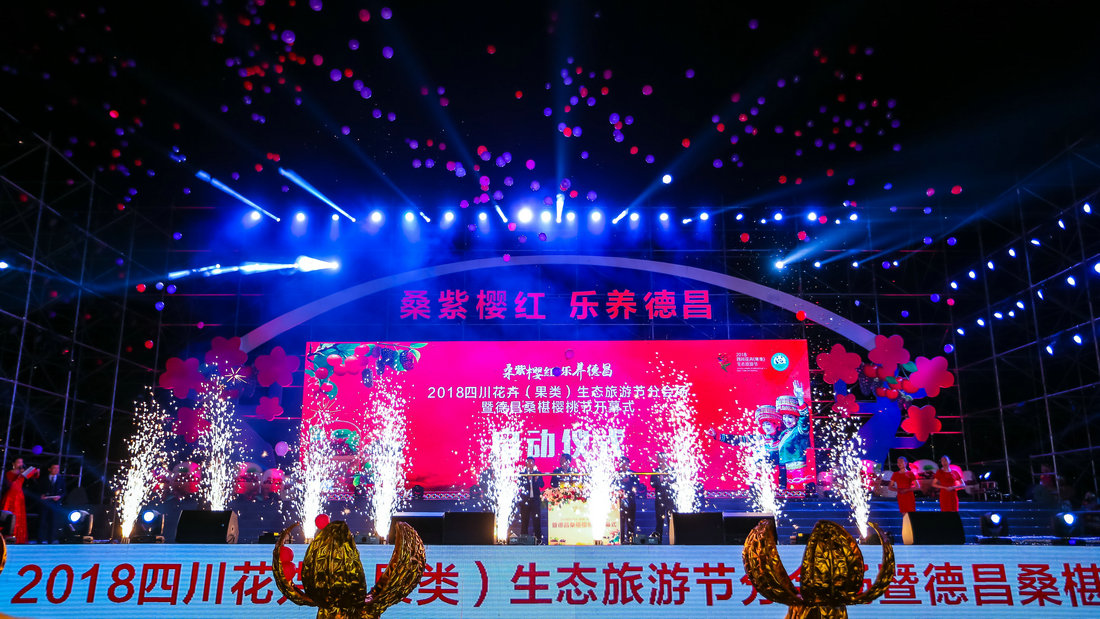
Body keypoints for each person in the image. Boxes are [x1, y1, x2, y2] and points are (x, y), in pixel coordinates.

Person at [776, 381, 811, 490]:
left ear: (796, 418)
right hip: (784, 468)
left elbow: (804, 419)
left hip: (796, 467)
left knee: (796, 492)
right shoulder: (783, 433)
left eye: (790, 417)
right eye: (785, 417)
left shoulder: (800, 430)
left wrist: (800, 399)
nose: (786, 420)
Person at [1, 458, 39, 544]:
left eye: (22, 462)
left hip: (19, 496)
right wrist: (20, 476)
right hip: (10, 496)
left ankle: (19, 538)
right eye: (18, 462)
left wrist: (35, 471)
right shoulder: (9, 473)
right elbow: (12, 485)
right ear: (13, 464)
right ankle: (6, 536)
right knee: (9, 515)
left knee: (19, 517)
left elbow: (36, 475)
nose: (20, 464)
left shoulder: (23, 473)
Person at [615, 457, 645, 544]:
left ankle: (630, 539)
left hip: (630, 500)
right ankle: (620, 539)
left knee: (630, 520)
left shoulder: (633, 474)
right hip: (619, 501)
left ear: (628, 464)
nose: (624, 465)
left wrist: (629, 481)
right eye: (622, 463)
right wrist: (622, 481)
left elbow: (637, 485)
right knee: (620, 521)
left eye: (626, 463)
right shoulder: (617, 474)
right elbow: (613, 485)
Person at [37, 463, 66, 543]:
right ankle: (40, 540)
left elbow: (64, 492)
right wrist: (41, 495)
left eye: (57, 468)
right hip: (44, 504)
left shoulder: (61, 479)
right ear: (49, 469)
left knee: (53, 523)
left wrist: (59, 497)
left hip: (55, 504)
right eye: (54, 468)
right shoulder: (43, 479)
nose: (56, 470)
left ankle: (51, 540)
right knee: (42, 522)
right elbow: (37, 489)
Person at [517, 457, 544, 543]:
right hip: (525, 501)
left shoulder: (538, 473)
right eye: (528, 463)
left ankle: (538, 540)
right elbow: (519, 485)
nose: (530, 465)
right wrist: (527, 480)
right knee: (525, 521)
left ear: (534, 464)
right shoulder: (522, 474)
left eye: (532, 463)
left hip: (535, 501)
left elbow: (542, 485)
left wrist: (537, 480)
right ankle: (523, 540)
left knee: (537, 521)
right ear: (526, 464)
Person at [650, 452, 674, 543]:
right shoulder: (655, 471)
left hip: (670, 499)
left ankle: (673, 540)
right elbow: (652, 484)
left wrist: (670, 480)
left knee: (671, 520)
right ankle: (658, 541)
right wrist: (659, 481)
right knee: (659, 521)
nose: (662, 460)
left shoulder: (671, 470)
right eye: (659, 458)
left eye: (663, 458)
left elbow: (676, 481)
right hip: (659, 500)